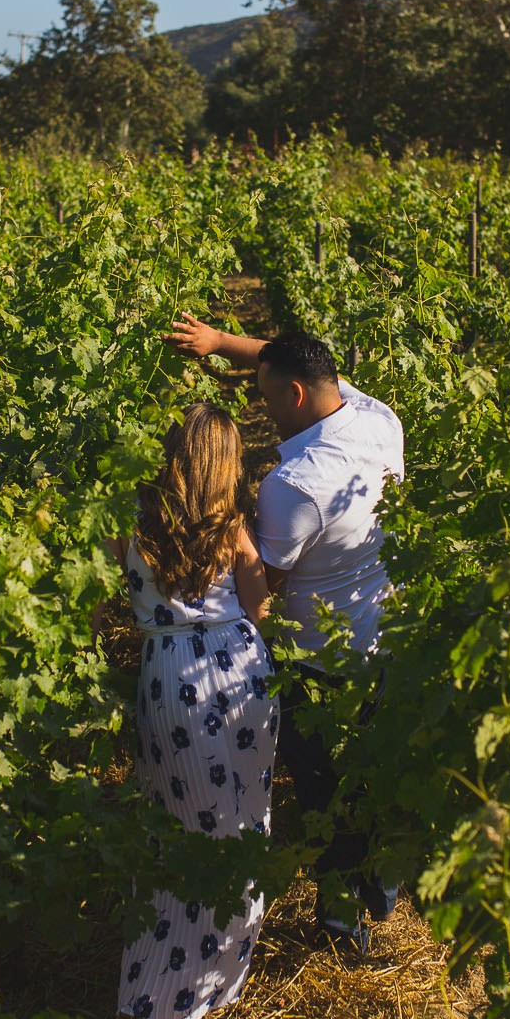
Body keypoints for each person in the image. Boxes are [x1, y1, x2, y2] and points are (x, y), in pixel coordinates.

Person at [163, 315, 405, 951]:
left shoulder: (294, 487)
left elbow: (258, 586)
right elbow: (296, 360)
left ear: (294, 395)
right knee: (376, 771)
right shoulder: (376, 418)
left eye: (266, 397)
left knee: (325, 791)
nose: (262, 409)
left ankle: (341, 921)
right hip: (383, 635)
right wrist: (221, 343)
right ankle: (384, 886)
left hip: (318, 661)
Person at [110, 402, 278, 1019]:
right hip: (239, 673)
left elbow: (101, 595)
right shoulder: (231, 529)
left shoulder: (130, 521)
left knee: (175, 826)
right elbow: (259, 608)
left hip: (169, 674)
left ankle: (160, 983)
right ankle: (218, 976)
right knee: (244, 820)